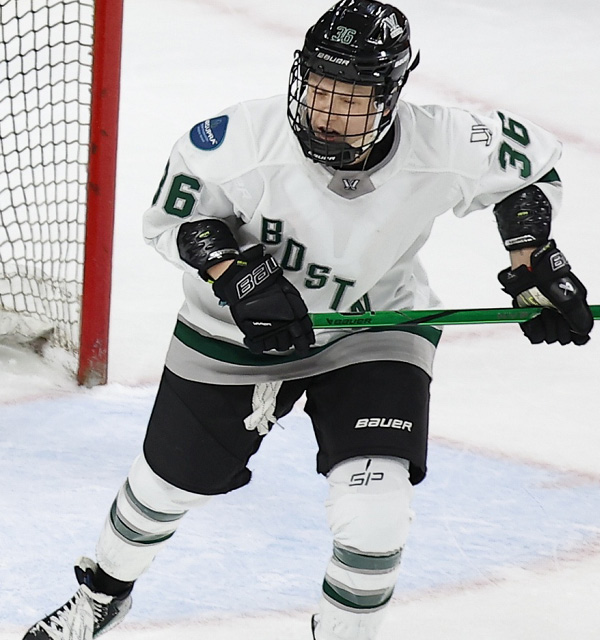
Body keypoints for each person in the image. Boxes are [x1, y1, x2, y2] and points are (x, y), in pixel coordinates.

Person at [23, 1, 594, 639]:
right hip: (232, 333)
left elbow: (528, 173)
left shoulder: (449, 141)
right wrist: (237, 276)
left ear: (391, 97)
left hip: (375, 328)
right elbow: (177, 220)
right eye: (319, 90)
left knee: (376, 510)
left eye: (352, 98)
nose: (329, 113)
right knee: (165, 486)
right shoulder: (239, 140)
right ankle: (101, 595)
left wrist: (533, 263)